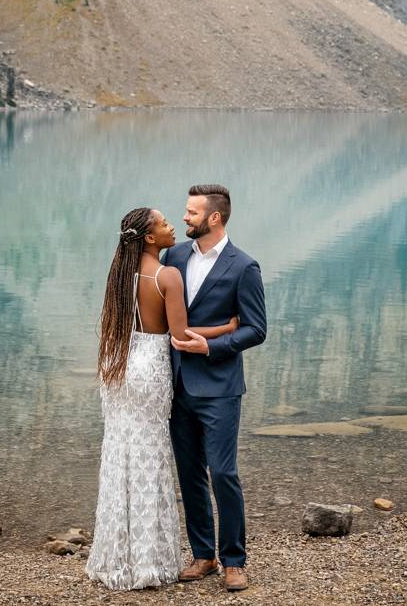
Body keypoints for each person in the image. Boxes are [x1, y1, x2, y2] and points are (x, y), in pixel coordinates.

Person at [86, 207, 238, 590]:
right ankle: (149, 560)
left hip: (118, 365)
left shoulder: (120, 274)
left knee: (120, 454)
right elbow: (180, 334)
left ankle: (116, 558)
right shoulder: (167, 274)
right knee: (151, 457)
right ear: (150, 238)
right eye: (165, 223)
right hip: (150, 369)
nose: (173, 227)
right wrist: (229, 326)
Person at [166, 184, 267, 593]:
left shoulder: (244, 267)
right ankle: (203, 555)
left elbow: (256, 329)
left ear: (214, 218)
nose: (184, 218)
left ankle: (234, 561)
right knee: (189, 474)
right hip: (175, 385)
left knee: (223, 473)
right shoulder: (172, 257)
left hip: (221, 387)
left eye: (192, 212)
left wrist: (213, 344)